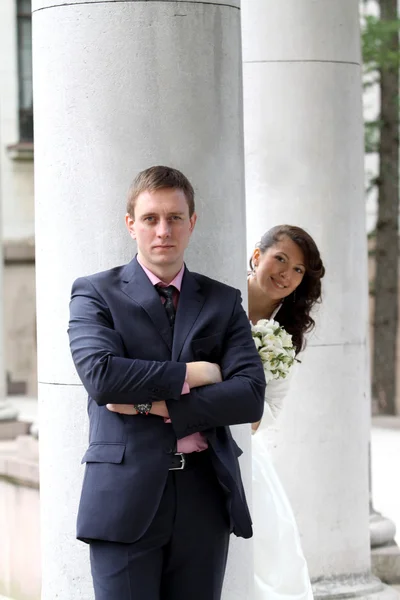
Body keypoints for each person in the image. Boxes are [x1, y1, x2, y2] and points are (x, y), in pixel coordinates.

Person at [68, 165, 265, 600]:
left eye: (175, 217)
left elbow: (250, 397)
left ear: (191, 223)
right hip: (124, 495)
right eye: (151, 218)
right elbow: (102, 378)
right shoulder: (95, 293)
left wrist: (156, 406)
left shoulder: (222, 300)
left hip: (203, 495)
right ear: (131, 225)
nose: (163, 230)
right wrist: (197, 373)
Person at [248, 225, 325, 600]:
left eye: (298, 270)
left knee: (269, 549)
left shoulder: (286, 332)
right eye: (281, 258)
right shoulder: (216, 299)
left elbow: (274, 406)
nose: (286, 274)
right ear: (257, 255)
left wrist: (246, 415)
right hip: (182, 426)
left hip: (240, 442)